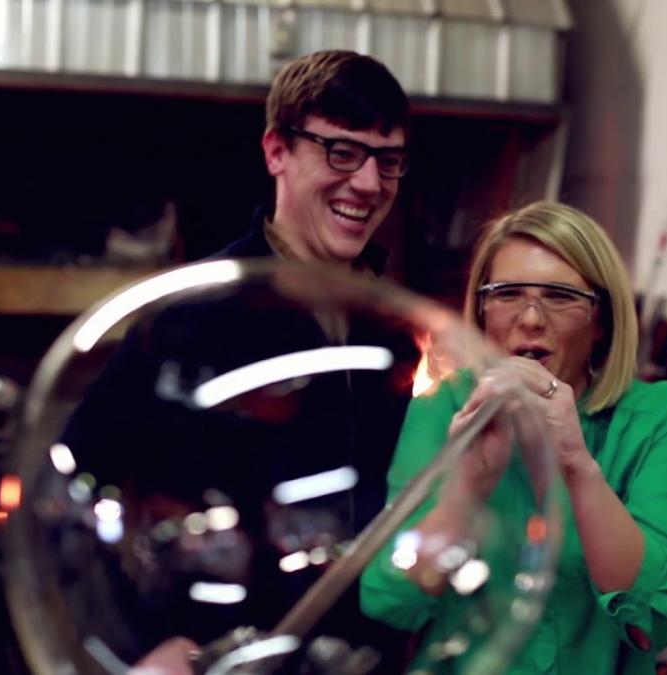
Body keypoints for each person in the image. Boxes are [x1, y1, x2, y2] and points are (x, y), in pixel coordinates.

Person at [58, 50, 417, 673]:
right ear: (277, 151)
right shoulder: (194, 316)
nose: (367, 182)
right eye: (341, 152)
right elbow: (74, 486)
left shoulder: (395, 331)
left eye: (388, 160)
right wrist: (144, 644)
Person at [359, 201, 667, 674]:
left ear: (601, 323)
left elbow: (663, 611)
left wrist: (577, 465)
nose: (531, 319)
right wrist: (467, 488)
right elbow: (387, 599)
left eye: (560, 296)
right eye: (507, 293)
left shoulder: (656, 417)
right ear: (481, 312)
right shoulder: (444, 406)